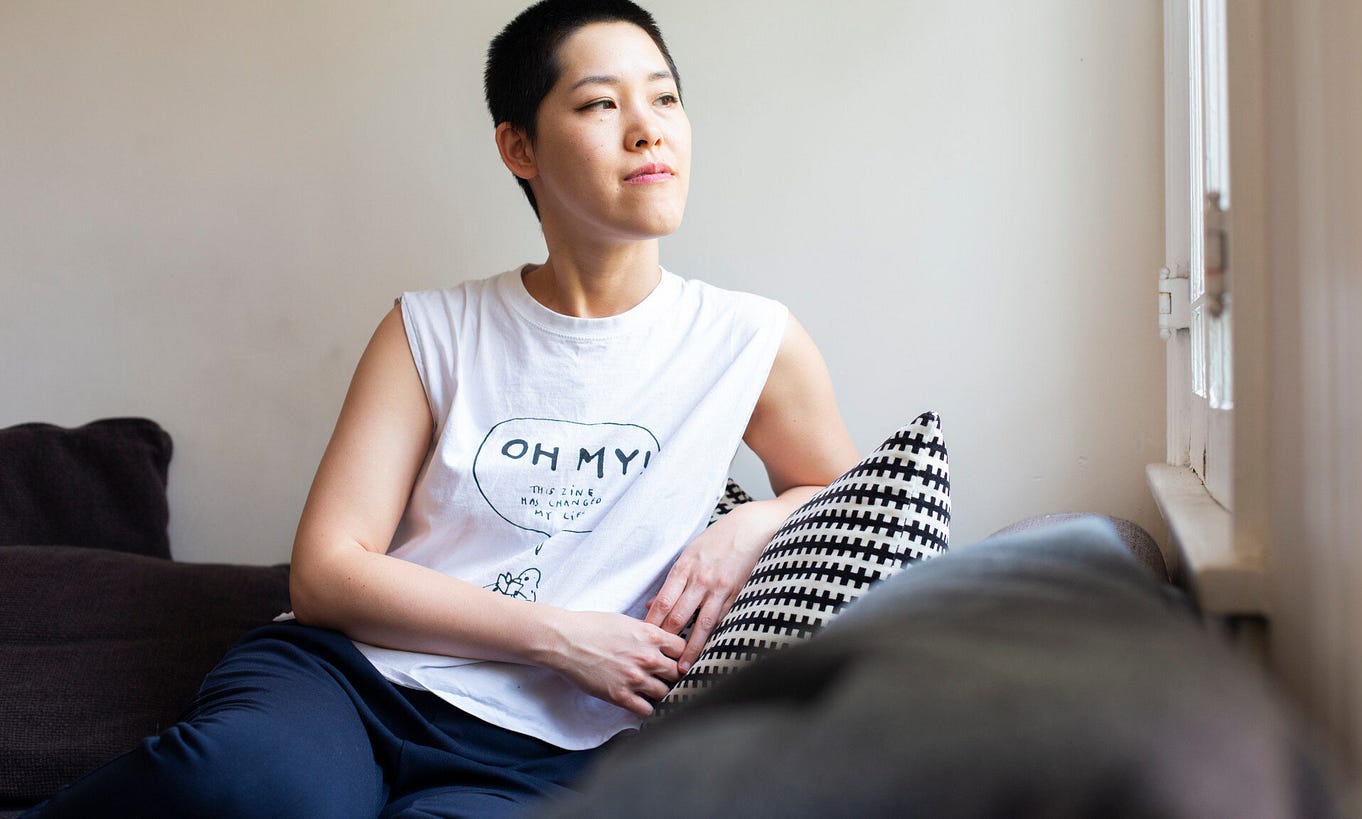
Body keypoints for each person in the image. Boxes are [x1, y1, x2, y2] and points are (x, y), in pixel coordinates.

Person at [25, 1, 858, 816]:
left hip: (559, 751)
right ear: (518, 146)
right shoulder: (431, 329)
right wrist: (557, 635)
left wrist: (752, 523)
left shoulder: (752, 340)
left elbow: (846, 496)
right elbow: (326, 572)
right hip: (357, 682)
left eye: (666, 97)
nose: (649, 129)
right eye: (602, 103)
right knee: (252, 782)